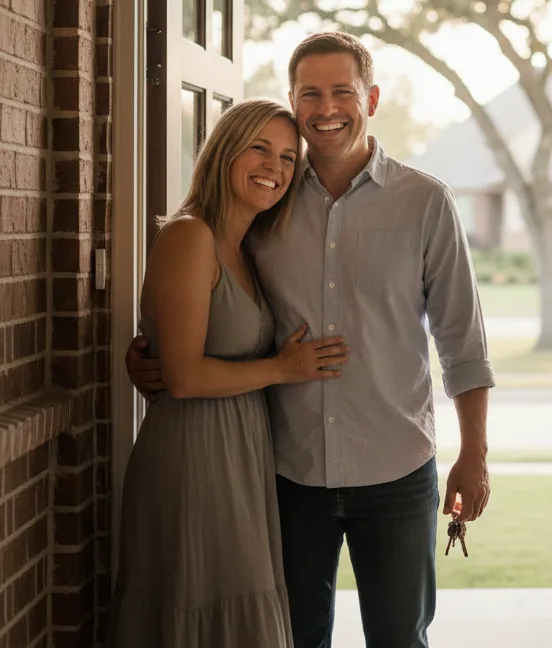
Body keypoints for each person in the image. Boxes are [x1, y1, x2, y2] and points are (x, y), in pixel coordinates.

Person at [127, 32, 495, 648]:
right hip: (286, 472)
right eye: (310, 94)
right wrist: (151, 353)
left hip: (397, 470)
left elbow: (463, 343)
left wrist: (475, 454)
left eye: (342, 92)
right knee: (291, 639)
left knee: (401, 639)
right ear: (294, 103)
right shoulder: (265, 199)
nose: (327, 108)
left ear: (371, 98)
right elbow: (210, 297)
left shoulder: (425, 201)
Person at [110, 99, 350, 647]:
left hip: (240, 453)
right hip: (193, 458)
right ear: (224, 152)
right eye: (259, 149)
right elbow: (185, 377)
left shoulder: (247, 247)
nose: (276, 167)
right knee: (195, 605)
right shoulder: (189, 236)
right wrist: (282, 368)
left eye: (290, 158)